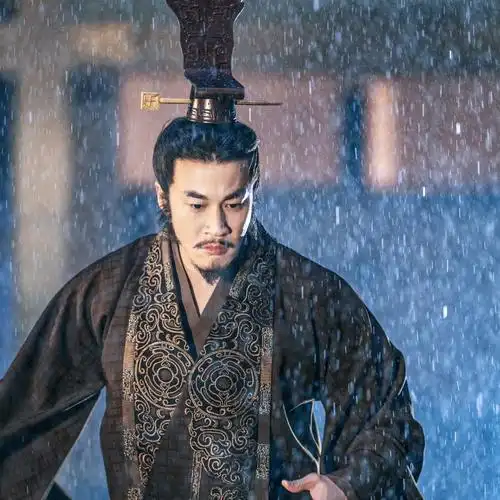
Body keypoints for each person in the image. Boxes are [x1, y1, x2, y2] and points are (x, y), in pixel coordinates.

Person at [0, 115, 425, 499]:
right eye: (197, 204)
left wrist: (346, 485)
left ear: (254, 191)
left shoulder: (307, 293)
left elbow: (386, 411)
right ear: (163, 196)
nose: (217, 226)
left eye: (235, 203)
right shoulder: (110, 290)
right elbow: (21, 418)